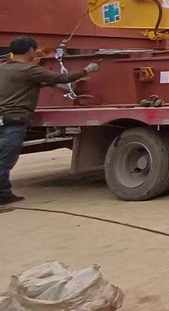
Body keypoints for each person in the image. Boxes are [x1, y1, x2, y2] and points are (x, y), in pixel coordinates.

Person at [1, 36, 99, 205]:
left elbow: (22, 84)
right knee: (5, 161)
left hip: (3, 119)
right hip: (14, 120)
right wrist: (88, 69)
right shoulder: (29, 70)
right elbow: (63, 78)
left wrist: (48, 84)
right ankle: (3, 195)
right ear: (30, 50)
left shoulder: (3, 68)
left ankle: (4, 192)